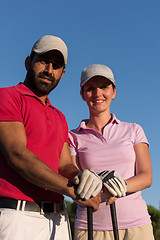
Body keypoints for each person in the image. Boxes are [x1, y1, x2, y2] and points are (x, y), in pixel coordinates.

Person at [0, 36, 102, 240]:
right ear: (29, 62)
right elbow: (17, 154)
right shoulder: (8, 97)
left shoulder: (59, 116)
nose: (49, 70)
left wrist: (81, 178)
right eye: (43, 61)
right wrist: (72, 190)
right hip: (17, 217)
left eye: (56, 65)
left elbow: (64, 164)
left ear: (62, 74)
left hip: (58, 220)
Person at [69, 64, 155, 240]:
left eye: (104, 87)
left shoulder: (134, 130)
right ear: (82, 94)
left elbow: (146, 177)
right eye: (90, 88)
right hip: (90, 227)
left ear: (114, 92)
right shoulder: (72, 136)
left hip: (137, 227)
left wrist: (119, 186)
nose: (97, 93)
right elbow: (71, 176)